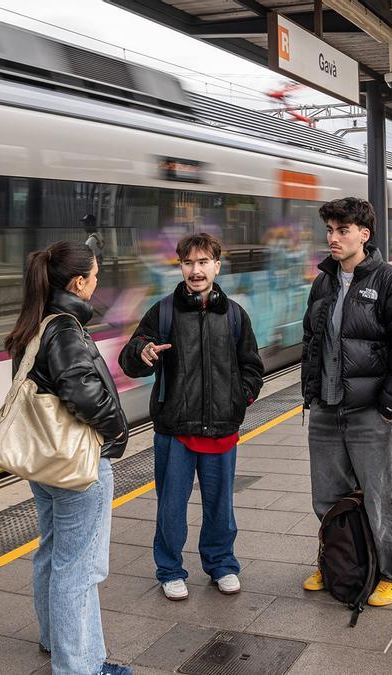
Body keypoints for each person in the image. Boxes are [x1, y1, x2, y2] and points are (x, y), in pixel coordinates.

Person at [1, 241, 131, 675]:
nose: (97, 284)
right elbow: (82, 391)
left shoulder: (34, 323)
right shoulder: (66, 329)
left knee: (53, 552)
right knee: (79, 568)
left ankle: (56, 641)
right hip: (79, 463)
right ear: (78, 282)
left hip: (46, 461)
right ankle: (81, 667)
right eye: (94, 276)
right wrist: (115, 429)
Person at [118, 233, 264, 601]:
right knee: (171, 506)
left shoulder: (234, 315)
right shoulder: (163, 312)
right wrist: (142, 353)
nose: (195, 271)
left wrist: (239, 399)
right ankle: (169, 569)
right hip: (175, 429)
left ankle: (222, 564)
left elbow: (252, 367)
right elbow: (129, 359)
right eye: (188, 263)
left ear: (217, 265)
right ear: (180, 266)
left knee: (220, 505)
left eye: (203, 263)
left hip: (221, 428)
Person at [300, 197, 392, 607]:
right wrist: (312, 394)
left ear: (364, 235)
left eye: (342, 230)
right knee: (327, 497)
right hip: (326, 407)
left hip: (368, 412)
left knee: (381, 497)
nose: (333, 238)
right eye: (330, 231)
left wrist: (388, 407)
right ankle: (337, 562)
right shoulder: (323, 281)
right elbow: (311, 341)